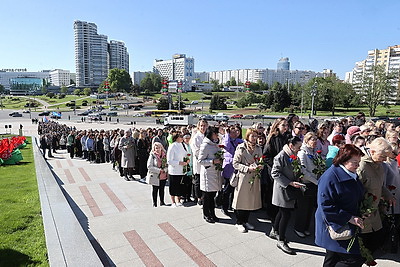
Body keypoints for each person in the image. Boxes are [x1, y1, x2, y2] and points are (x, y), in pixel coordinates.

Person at [315, 144, 366, 266]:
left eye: (359, 162)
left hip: (345, 222)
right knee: (354, 260)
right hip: (335, 224)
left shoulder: (351, 173)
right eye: (355, 162)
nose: (358, 166)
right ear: (344, 160)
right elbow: (326, 206)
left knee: (332, 257)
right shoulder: (330, 177)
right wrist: (350, 218)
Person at [357, 137, 396, 260]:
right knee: (363, 247)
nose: (385, 160)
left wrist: (388, 194)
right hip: (364, 214)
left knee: (376, 240)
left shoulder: (378, 164)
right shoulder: (361, 165)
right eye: (383, 156)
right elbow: (354, 190)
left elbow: (379, 184)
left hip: (375, 211)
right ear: (372, 151)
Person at [269, 136, 304, 255]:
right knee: (286, 214)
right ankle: (281, 240)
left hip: (291, 188)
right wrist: (289, 182)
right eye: (298, 147)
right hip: (283, 189)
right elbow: (274, 173)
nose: (300, 149)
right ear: (291, 145)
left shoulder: (293, 155)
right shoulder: (281, 156)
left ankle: (274, 230)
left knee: (282, 212)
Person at [232, 128, 263, 233]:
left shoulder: (258, 148)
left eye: (256, 136)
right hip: (243, 177)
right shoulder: (241, 148)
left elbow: (261, 160)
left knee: (250, 200)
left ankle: (246, 220)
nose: (255, 138)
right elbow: (235, 164)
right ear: (247, 136)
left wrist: (260, 166)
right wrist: (247, 168)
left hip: (254, 177)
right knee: (241, 200)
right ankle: (239, 222)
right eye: (252, 136)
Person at [264, 118, 290, 223]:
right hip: (275, 170)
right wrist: (276, 165)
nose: (286, 127)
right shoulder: (273, 138)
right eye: (283, 125)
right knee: (273, 193)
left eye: (287, 125)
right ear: (277, 126)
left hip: (286, 169)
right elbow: (266, 156)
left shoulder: (288, 138)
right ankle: (272, 215)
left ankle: (280, 214)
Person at [295, 132, 319, 238]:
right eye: (312, 140)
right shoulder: (302, 153)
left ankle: (305, 227)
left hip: (313, 183)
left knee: (310, 208)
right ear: (306, 140)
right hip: (305, 183)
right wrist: (315, 181)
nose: (315, 142)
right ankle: (298, 227)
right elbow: (303, 171)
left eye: (315, 140)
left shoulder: (314, 153)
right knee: (303, 208)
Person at [198, 126, 224, 223]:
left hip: (215, 173)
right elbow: (200, 160)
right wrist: (212, 161)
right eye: (215, 133)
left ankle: (212, 213)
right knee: (207, 196)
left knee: (212, 195)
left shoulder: (215, 144)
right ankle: (206, 214)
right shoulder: (205, 145)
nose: (217, 135)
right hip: (208, 174)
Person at [221, 124, 243, 215]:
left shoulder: (239, 141)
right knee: (227, 189)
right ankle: (224, 207)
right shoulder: (226, 139)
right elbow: (226, 145)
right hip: (228, 167)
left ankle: (232, 205)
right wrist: (227, 134)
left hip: (236, 167)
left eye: (236, 131)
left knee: (235, 190)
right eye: (232, 132)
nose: (234, 133)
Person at [167, 132, 189, 207]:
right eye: (180, 137)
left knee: (180, 186)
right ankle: (173, 202)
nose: (182, 138)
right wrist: (179, 163)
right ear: (176, 138)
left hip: (181, 170)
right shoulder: (172, 146)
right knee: (173, 186)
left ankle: (178, 200)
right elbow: (169, 161)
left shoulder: (182, 145)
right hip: (174, 170)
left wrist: (187, 160)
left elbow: (185, 154)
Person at [190, 120, 208, 205]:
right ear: (198, 127)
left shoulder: (208, 136)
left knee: (205, 181)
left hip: (207, 162)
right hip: (199, 162)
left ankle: (204, 197)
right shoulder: (196, 137)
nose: (203, 127)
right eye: (201, 126)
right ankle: (199, 198)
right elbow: (196, 151)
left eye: (204, 126)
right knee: (198, 181)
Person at [146, 142, 167, 207]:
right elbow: (149, 166)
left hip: (163, 175)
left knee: (162, 189)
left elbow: (167, 164)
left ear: (161, 148)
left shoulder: (164, 155)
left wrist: (165, 170)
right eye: (156, 148)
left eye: (159, 148)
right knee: (155, 190)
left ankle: (162, 202)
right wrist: (159, 170)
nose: (157, 149)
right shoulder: (152, 155)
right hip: (155, 176)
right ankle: (154, 203)